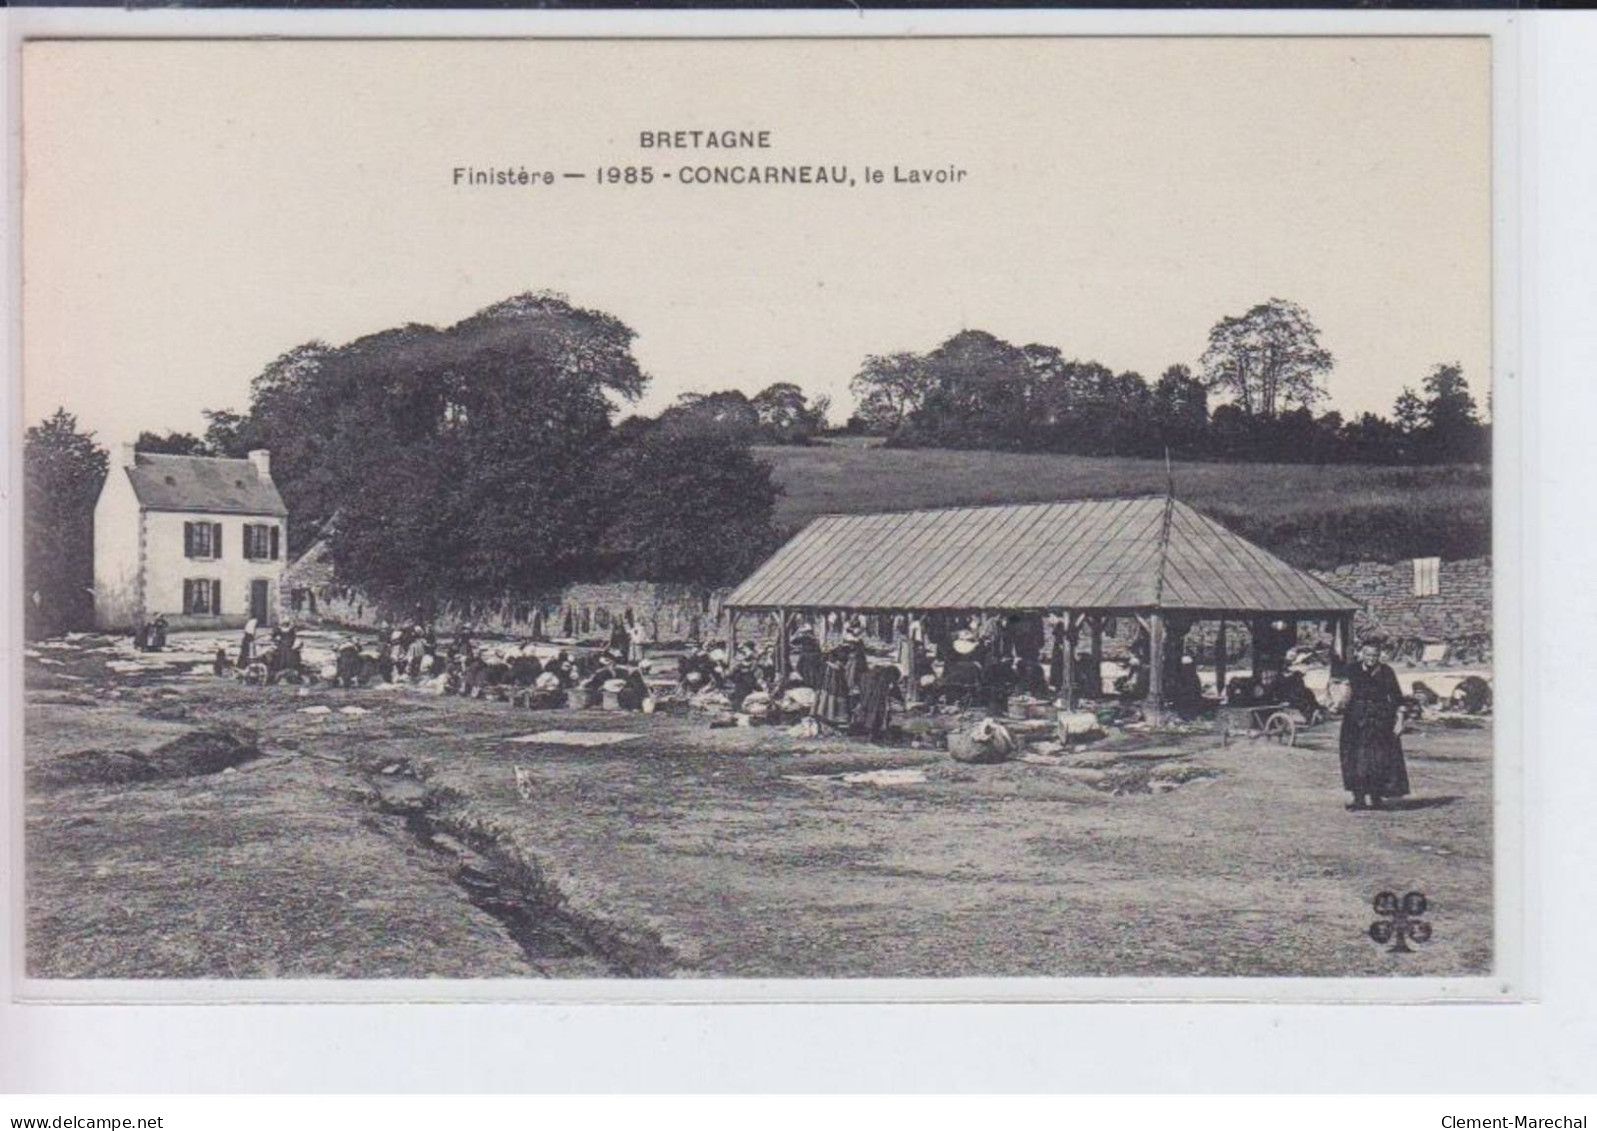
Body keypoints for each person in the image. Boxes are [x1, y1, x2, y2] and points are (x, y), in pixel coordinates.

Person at [1338, 642, 1410, 810]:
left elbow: (1397, 697)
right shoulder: (1352, 670)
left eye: (1375, 655)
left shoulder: (1386, 672)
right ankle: (1359, 797)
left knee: (1379, 759)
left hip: (1381, 720)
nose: (1371, 659)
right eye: (1368, 655)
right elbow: (1343, 690)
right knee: (1354, 758)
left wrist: (1399, 721)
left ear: (1379, 656)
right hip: (1355, 720)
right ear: (1361, 654)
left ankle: (1377, 796)